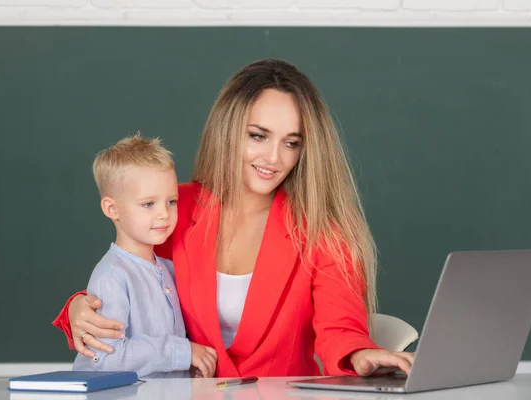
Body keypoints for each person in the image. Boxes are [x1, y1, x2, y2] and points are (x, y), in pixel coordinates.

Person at [53, 59, 414, 377]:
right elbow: (133, 273)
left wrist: (360, 353)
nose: (274, 158)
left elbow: (341, 327)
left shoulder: (323, 230)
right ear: (228, 131)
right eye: (258, 136)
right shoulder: (174, 208)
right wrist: (79, 308)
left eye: (292, 142)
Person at [70, 135, 217, 378]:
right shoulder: (112, 277)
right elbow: (107, 357)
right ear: (112, 209)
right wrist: (183, 352)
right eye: (149, 204)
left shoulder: (167, 268)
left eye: (171, 201)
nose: (164, 214)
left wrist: (188, 366)